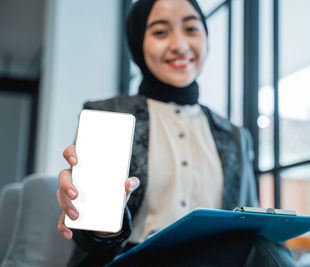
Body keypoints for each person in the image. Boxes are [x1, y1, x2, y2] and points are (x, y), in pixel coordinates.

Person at [56, 0, 296, 266]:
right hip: (127, 259)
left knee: (264, 246)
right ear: (138, 42)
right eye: (160, 32)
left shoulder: (235, 136)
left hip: (215, 259)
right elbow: (92, 243)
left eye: (191, 29)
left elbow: (251, 226)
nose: (180, 45)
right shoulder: (108, 115)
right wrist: (99, 222)